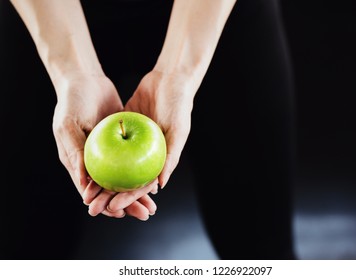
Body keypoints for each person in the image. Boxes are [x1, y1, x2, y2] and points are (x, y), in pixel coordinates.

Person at [0, 0, 296, 259]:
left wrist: (177, 73)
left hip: (211, 13)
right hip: (49, 15)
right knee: (23, 253)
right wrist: (74, 74)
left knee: (262, 251)